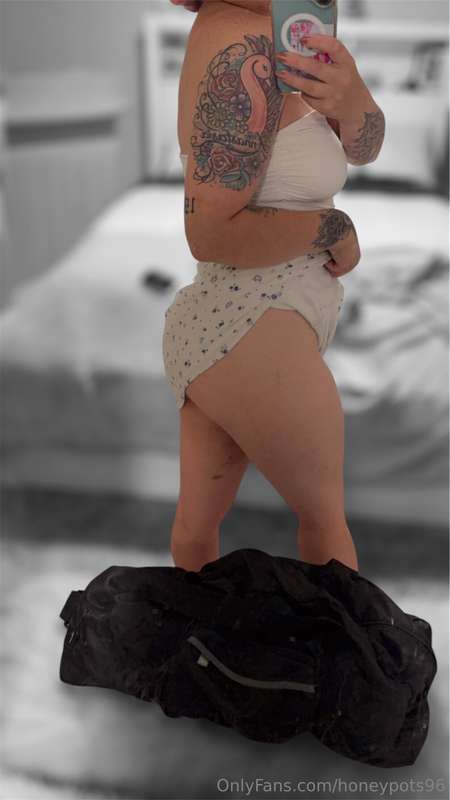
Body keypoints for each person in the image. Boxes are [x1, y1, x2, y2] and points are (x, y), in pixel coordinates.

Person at [165, 0, 385, 573]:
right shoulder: (242, 46)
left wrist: (353, 99)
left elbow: (364, 149)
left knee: (196, 533)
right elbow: (210, 233)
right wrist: (334, 228)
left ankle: (197, 632)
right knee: (326, 532)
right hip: (251, 326)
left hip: (240, 326)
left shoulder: (287, 27)